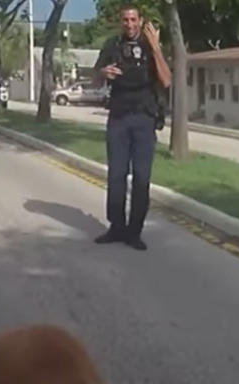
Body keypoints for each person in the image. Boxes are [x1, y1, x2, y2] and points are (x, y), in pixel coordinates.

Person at [92, 4, 171, 250]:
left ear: (140, 21)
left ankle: (134, 232)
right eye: (125, 20)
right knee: (116, 175)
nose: (129, 24)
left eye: (133, 19)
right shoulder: (112, 45)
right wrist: (103, 72)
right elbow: (95, 76)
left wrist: (156, 46)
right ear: (121, 22)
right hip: (118, 117)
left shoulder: (150, 47)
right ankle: (116, 226)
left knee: (141, 178)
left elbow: (166, 80)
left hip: (144, 118)